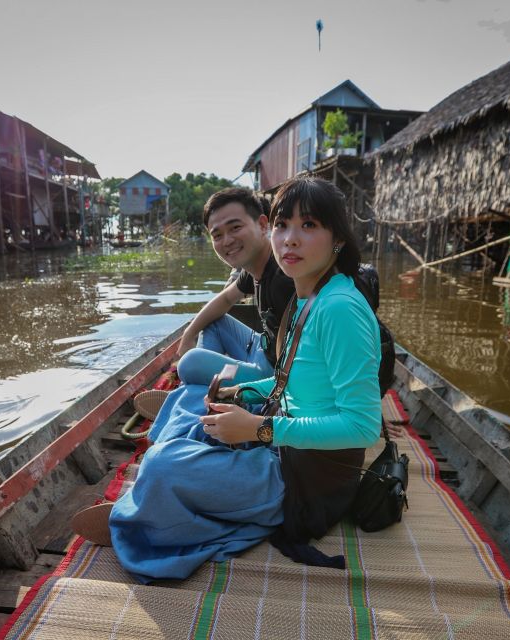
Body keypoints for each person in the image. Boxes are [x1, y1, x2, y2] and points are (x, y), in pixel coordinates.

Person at [75, 176, 382, 583]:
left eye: (308, 226)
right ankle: (160, 499)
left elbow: (362, 426)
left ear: (337, 239)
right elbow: (289, 383)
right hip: (284, 452)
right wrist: (242, 393)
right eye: (282, 225)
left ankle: (153, 508)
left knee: (165, 465)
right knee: (192, 418)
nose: (290, 239)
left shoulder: (339, 308)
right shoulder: (308, 297)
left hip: (306, 485)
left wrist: (261, 429)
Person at [175, 187, 296, 386]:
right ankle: (198, 390)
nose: (228, 241)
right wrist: (189, 335)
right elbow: (225, 298)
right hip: (262, 348)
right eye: (217, 235)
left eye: (235, 228)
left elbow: (298, 367)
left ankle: (191, 395)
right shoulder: (255, 266)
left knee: (189, 363)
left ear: (263, 224)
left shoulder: (283, 277)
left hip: (271, 374)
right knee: (212, 322)